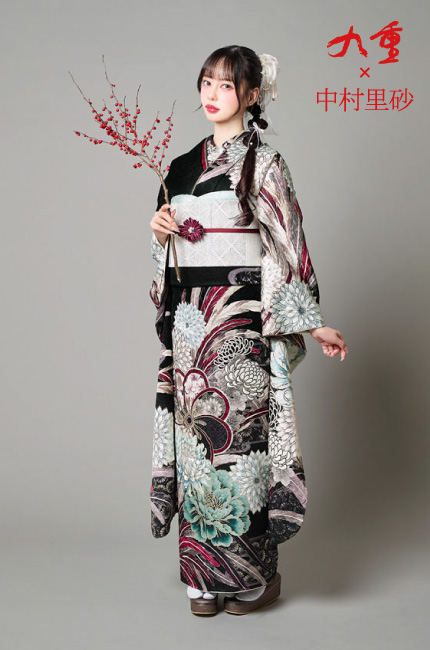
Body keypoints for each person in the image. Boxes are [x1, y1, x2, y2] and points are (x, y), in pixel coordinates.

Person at [148, 45, 349, 616]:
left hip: (241, 324)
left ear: (252, 95)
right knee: (195, 447)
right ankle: (202, 578)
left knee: (242, 447)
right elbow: (167, 257)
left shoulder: (265, 164)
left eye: (226, 85)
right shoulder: (179, 167)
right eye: (206, 82)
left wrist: (313, 322)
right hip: (191, 323)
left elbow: (287, 244)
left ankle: (251, 578)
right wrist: (160, 233)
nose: (212, 94)